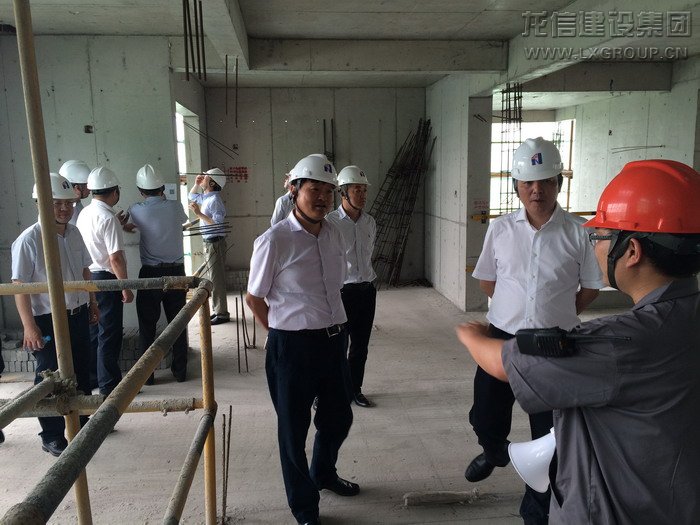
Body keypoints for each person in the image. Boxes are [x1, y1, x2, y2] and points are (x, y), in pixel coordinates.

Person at [457, 159, 700, 524]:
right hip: (677, 499)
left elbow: (508, 364)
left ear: (632, 251)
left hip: (619, 510)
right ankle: (495, 454)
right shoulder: (683, 317)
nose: (596, 246)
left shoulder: (617, 342)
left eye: (600, 237)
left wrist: (471, 335)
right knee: (487, 414)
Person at [466, 137, 602, 524]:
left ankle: (536, 510)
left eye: (545, 181)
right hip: (502, 338)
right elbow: (487, 281)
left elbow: (590, 287)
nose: (536, 190)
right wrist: (514, 310)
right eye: (528, 182)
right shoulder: (500, 229)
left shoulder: (579, 232)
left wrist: (558, 313)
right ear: (516, 186)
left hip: (555, 344)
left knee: (550, 435)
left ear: (559, 183)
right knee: (484, 414)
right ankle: (494, 451)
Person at [246, 154, 358, 525]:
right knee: (293, 430)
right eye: (314, 189)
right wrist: (279, 332)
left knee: (338, 417)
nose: (322, 198)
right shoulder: (274, 240)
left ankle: (323, 473)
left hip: (334, 340)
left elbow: (336, 285)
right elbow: (254, 297)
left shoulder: (335, 233)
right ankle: (304, 505)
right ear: (294, 190)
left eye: (328, 191)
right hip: (292, 347)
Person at [11, 173, 99, 456]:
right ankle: (51, 435)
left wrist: (92, 302)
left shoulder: (74, 233)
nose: (64, 209)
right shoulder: (29, 240)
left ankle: (82, 423)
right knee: (49, 376)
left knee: (82, 369)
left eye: (68, 203)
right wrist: (29, 327)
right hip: (47, 319)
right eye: (56, 203)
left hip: (78, 313)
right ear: (40, 203)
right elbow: (20, 287)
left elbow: (85, 271)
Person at [124, 164, 188, 384]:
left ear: (140, 190)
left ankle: (147, 376)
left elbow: (128, 226)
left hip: (150, 273)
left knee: (147, 326)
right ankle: (180, 372)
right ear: (162, 188)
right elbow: (181, 221)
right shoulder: (176, 206)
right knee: (178, 324)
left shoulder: (136, 209)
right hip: (177, 272)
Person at [76, 166, 133, 397]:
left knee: (94, 332)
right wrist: (125, 287)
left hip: (88, 278)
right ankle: (110, 387)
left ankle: (93, 380)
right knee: (109, 333)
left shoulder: (84, 213)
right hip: (106, 280)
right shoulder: (109, 218)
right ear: (115, 191)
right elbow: (115, 258)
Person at [326, 165, 377, 408]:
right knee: (335, 347)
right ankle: (325, 393)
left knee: (360, 346)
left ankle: (354, 389)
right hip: (341, 293)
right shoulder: (330, 223)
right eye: (357, 190)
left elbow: (367, 255)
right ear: (343, 192)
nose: (363, 195)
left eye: (365, 190)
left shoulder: (370, 222)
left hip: (366, 291)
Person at [188, 168, 229, 325]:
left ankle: (222, 314)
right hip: (210, 242)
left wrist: (199, 214)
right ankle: (218, 310)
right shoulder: (207, 197)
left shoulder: (215, 200)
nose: (202, 177)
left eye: (206, 176)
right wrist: (196, 184)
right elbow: (191, 196)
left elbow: (218, 224)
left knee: (217, 280)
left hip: (215, 242)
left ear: (212, 183)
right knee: (213, 278)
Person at [59, 160, 91, 226]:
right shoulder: (69, 212)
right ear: (77, 188)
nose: (90, 188)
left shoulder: (76, 204)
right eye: (87, 185)